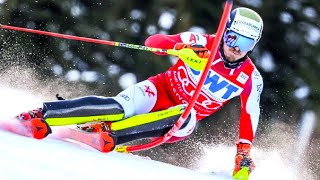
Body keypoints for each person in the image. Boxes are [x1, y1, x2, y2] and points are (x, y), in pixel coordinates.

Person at [17, 7, 263, 177]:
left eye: (245, 44)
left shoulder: (250, 78)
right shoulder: (201, 42)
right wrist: (182, 48)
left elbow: (249, 114)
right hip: (159, 89)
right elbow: (153, 42)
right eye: (232, 39)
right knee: (117, 108)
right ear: (225, 32)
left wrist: (243, 152)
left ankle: (110, 133)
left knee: (185, 117)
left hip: (180, 121)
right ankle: (42, 114)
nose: (236, 49)